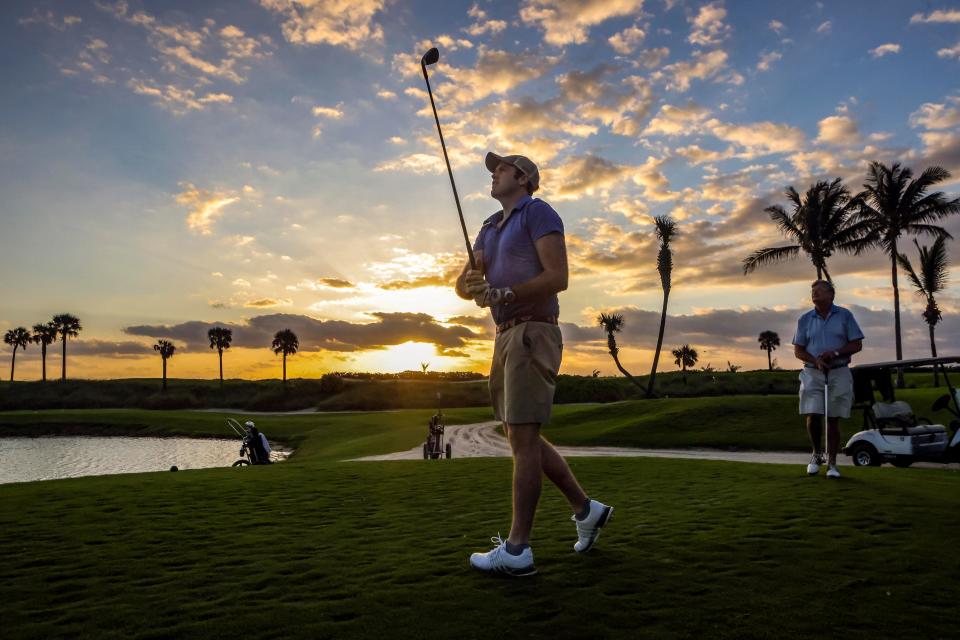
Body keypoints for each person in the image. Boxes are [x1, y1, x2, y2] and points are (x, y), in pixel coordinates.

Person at [455, 152, 613, 577]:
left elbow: (557, 276)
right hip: (504, 334)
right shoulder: (490, 227)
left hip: (533, 329)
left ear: (522, 178)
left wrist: (507, 293)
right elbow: (464, 284)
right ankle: (586, 510)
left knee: (522, 437)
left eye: (501, 169)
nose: (493, 175)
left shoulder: (538, 213)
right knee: (518, 433)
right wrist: (470, 282)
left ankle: (518, 549)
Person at [791, 280, 864, 479]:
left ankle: (832, 463)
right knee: (813, 413)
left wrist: (835, 353)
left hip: (838, 370)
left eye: (819, 291)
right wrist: (815, 360)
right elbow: (798, 350)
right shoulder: (804, 319)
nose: (814, 294)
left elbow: (857, 344)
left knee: (833, 417)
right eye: (812, 291)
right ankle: (816, 455)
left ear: (831, 295)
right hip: (812, 371)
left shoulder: (845, 315)